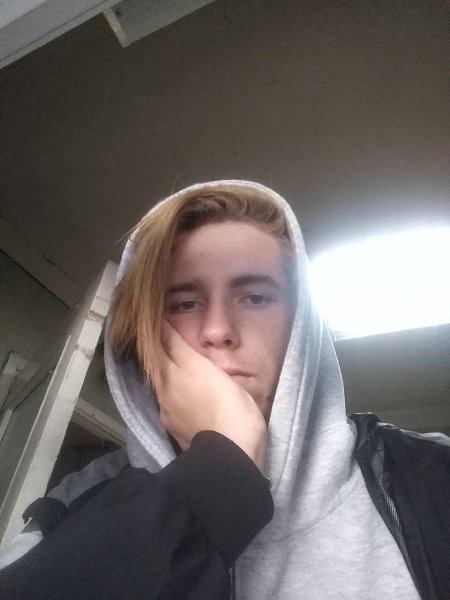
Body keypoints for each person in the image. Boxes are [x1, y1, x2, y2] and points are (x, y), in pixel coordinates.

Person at [0, 180, 449, 599]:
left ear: (302, 328)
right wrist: (217, 470)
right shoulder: (76, 502)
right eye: (185, 303)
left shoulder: (430, 473)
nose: (218, 330)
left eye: (255, 298)